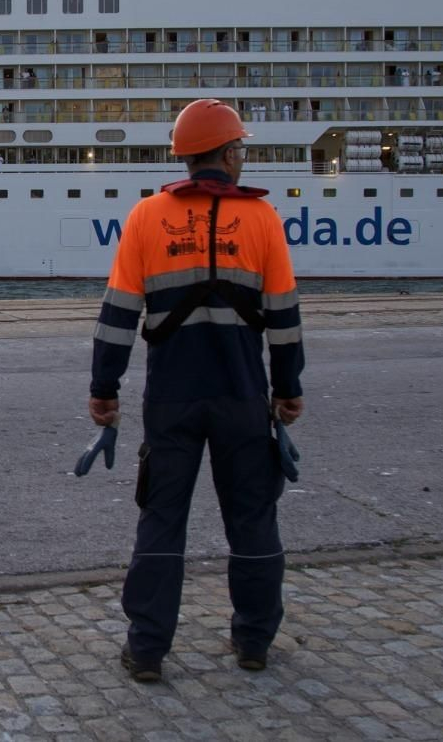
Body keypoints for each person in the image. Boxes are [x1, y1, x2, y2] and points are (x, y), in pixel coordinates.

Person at [87, 98, 305, 683]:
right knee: (253, 519)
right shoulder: (263, 220)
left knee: (162, 520)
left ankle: (148, 650)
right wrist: (289, 389)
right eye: (241, 148)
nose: (242, 157)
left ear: (186, 157)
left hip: (172, 399)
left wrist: (103, 389)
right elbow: (284, 317)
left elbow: (117, 316)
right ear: (229, 154)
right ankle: (254, 642)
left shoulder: (144, 217)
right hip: (240, 395)